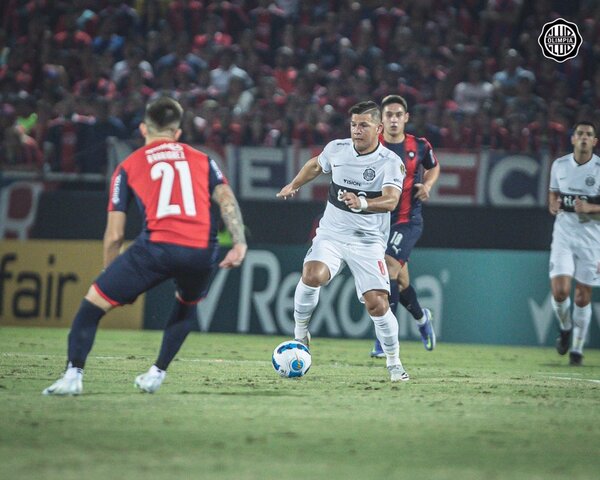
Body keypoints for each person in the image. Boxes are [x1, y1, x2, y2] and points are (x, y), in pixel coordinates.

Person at [42, 96, 247, 395]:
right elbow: (226, 198)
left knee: (91, 307)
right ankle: (157, 373)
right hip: (203, 251)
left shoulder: (128, 167)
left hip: (157, 248)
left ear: (142, 129)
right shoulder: (204, 160)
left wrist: (111, 276)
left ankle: (73, 376)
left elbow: (114, 234)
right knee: (186, 305)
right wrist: (239, 243)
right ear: (177, 133)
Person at [277, 100, 410, 382]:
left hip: (368, 242)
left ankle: (394, 363)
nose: (356, 130)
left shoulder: (390, 163)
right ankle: (301, 334)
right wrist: (295, 184)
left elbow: (391, 200)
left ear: (379, 128)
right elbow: (315, 165)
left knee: (377, 304)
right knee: (312, 274)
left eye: (363, 125)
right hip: (332, 235)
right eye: (353, 125)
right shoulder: (337, 149)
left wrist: (361, 202)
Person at [370, 95, 440, 358]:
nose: (394, 119)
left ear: (406, 117)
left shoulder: (418, 146)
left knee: (388, 270)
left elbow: (433, 167)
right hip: (379, 223)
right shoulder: (373, 146)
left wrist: (428, 185)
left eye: (399, 114)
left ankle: (383, 340)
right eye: (389, 114)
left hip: (407, 221)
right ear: (382, 118)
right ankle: (423, 320)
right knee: (400, 281)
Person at [548, 121, 600, 366]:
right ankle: (565, 327)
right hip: (564, 234)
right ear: (572, 139)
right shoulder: (559, 165)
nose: (583, 138)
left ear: (594, 142)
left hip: (592, 239)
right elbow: (554, 193)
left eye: (588, 135)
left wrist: (590, 208)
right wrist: (553, 203)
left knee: (582, 297)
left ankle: (577, 349)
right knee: (560, 292)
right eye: (579, 133)